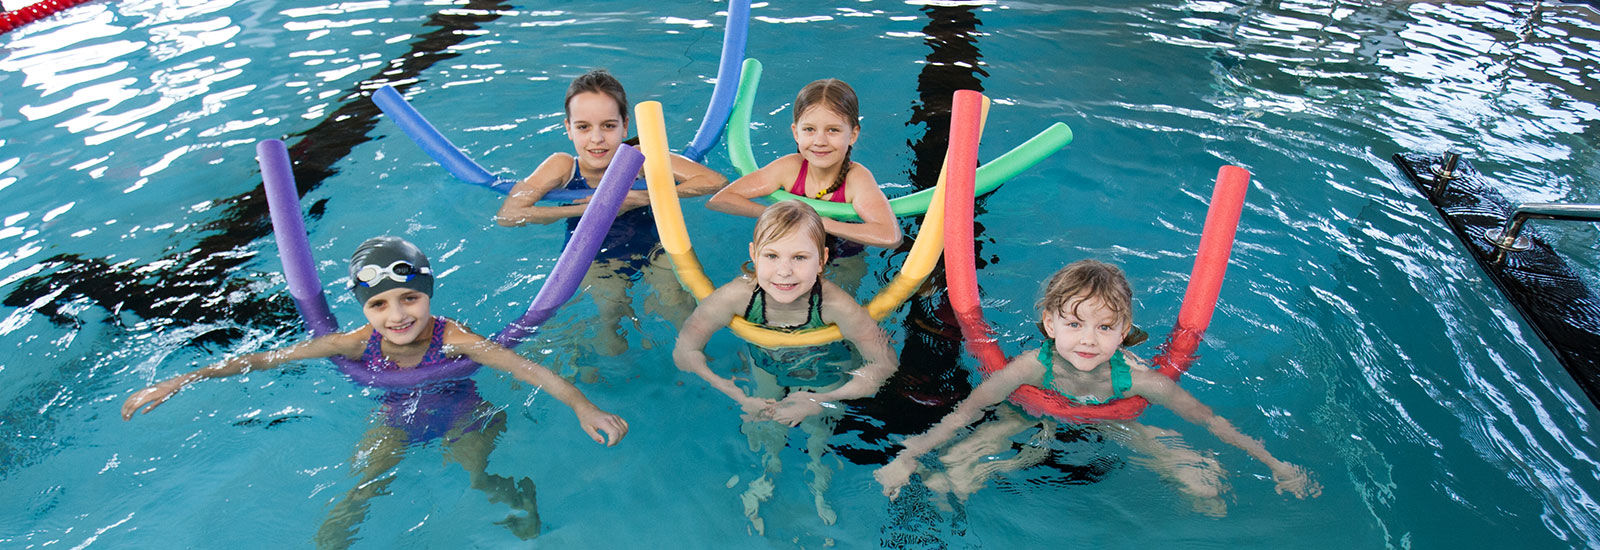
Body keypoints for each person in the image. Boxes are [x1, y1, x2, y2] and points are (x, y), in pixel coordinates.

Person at [122, 236, 628, 546]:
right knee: (362, 487)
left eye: (410, 299)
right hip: (395, 416)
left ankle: (521, 499)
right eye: (379, 304)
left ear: (428, 295)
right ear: (364, 309)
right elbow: (268, 358)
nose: (398, 315)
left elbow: (527, 370)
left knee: (475, 477)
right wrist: (183, 378)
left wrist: (583, 407)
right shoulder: (355, 343)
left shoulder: (454, 340)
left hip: (464, 413)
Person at [874, 259, 1319, 514]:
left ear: (1123, 331)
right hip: (1032, 412)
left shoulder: (1140, 381)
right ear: (1050, 324)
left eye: (1104, 327)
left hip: (1114, 423)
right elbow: (967, 411)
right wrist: (908, 454)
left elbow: (1209, 420)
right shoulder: (1030, 368)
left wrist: (1273, 462)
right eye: (1074, 324)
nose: (1088, 340)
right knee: (953, 470)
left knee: (1205, 489)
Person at [672, 200, 899, 533]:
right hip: (767, 365)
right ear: (754, 254)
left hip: (824, 369)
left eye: (800, 258)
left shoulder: (835, 305)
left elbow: (884, 364)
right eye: (772, 256)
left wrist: (821, 400)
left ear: (822, 260)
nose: (784, 271)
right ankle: (767, 472)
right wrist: (736, 394)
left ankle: (818, 478)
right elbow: (685, 351)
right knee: (763, 422)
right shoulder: (736, 297)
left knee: (818, 431)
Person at [496, 68, 727, 358]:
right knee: (610, 316)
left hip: (652, 249)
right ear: (568, 128)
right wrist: (594, 207)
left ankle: (697, 362)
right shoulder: (563, 166)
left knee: (679, 304)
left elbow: (714, 181)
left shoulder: (641, 157)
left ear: (625, 125)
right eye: (583, 127)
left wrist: (638, 198)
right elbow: (509, 214)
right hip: (593, 257)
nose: (596, 139)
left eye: (608, 126)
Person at [707, 78, 900, 291]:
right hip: (789, 254)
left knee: (838, 302)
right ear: (796, 133)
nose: (820, 141)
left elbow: (890, 236)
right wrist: (777, 214)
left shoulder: (856, 179)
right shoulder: (789, 168)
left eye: (833, 130)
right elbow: (720, 200)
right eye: (809, 129)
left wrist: (823, 223)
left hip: (843, 255)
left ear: (853, 135)